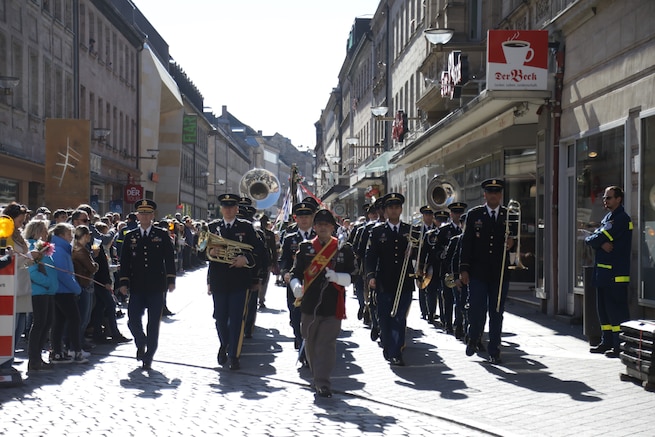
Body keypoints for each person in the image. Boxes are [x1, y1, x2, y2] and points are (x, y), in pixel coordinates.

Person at [290, 209, 355, 397]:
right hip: (309, 305)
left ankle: (322, 382)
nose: (323, 228)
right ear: (315, 227)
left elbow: (355, 274)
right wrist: (296, 285)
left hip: (333, 304)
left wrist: (338, 277)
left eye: (326, 225)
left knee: (325, 344)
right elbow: (295, 273)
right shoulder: (305, 248)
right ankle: (317, 376)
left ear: (333, 227)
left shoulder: (343, 248)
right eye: (319, 225)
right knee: (310, 343)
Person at [459, 179, 515, 364]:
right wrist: (464, 269)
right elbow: (466, 244)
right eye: (490, 192)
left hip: (499, 273)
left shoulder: (509, 215)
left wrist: (512, 244)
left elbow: (516, 242)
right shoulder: (474, 215)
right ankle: (474, 336)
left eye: (497, 192)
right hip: (478, 272)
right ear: (485, 195)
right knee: (476, 310)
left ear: (500, 195)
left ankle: (494, 350)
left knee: (497, 312)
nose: (493, 195)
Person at [118, 199, 176, 370]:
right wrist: (123, 282)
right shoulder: (131, 236)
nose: (144, 216)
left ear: (152, 216)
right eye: (141, 213)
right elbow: (125, 260)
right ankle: (141, 341)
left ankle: (149, 355)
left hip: (156, 285)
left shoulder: (162, 234)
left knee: (153, 324)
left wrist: (171, 279)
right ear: (137, 216)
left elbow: (169, 258)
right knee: (132, 320)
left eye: (147, 213)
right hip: (136, 285)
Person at [205, 194, 260, 371]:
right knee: (220, 318)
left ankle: (234, 356)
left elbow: (259, 252)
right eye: (225, 206)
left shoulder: (246, 227)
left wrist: (245, 259)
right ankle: (225, 343)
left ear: (237, 209)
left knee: (236, 319)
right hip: (219, 280)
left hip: (239, 280)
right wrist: (210, 253)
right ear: (221, 209)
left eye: (231, 207)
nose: (228, 210)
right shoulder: (213, 227)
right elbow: (199, 251)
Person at [365, 193, 416, 366]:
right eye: (390, 208)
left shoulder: (410, 230)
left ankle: (396, 351)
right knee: (385, 317)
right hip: (384, 280)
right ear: (386, 211)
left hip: (405, 282)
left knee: (399, 317)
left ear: (401, 209)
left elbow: (423, 253)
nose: (394, 210)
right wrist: (371, 276)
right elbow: (370, 256)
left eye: (397, 207)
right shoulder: (378, 231)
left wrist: (413, 252)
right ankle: (388, 345)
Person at [585, 186, 633, 358]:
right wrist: (598, 242)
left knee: (616, 312)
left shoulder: (621, 219)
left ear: (619, 199)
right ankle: (607, 342)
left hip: (615, 275)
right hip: (603, 274)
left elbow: (597, 237)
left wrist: (598, 240)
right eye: (605, 198)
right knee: (603, 311)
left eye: (609, 198)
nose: (606, 201)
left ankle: (619, 346)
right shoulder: (608, 217)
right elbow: (594, 238)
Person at [279, 201, 317, 355]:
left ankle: (306, 350)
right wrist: (285, 273)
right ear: (296, 218)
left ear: (312, 217)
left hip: (314, 284)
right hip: (295, 284)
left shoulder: (319, 237)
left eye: (307, 216)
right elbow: (284, 260)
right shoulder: (289, 239)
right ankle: (299, 337)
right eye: (301, 216)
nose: (304, 219)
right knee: (295, 316)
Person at [49, 223, 87, 364]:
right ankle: (75, 351)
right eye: (69, 234)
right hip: (64, 291)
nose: (71, 237)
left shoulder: (61, 249)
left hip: (61, 290)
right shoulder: (59, 250)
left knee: (59, 322)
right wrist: (76, 288)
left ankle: (58, 352)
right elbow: (63, 274)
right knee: (74, 320)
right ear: (61, 235)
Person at [24, 219, 58, 372]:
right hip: (39, 291)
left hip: (47, 291)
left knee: (46, 323)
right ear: (38, 231)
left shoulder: (41, 246)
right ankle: (34, 359)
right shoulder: (34, 247)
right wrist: (47, 282)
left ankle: (38, 357)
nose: (47, 234)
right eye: (44, 230)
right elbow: (31, 271)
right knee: (39, 324)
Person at [414, 205, 435, 321]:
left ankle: (431, 310)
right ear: (423, 216)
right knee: (421, 285)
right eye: (426, 215)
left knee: (431, 287)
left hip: (431, 262)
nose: (428, 217)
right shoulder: (417, 230)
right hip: (420, 261)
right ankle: (424, 310)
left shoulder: (437, 229)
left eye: (430, 214)